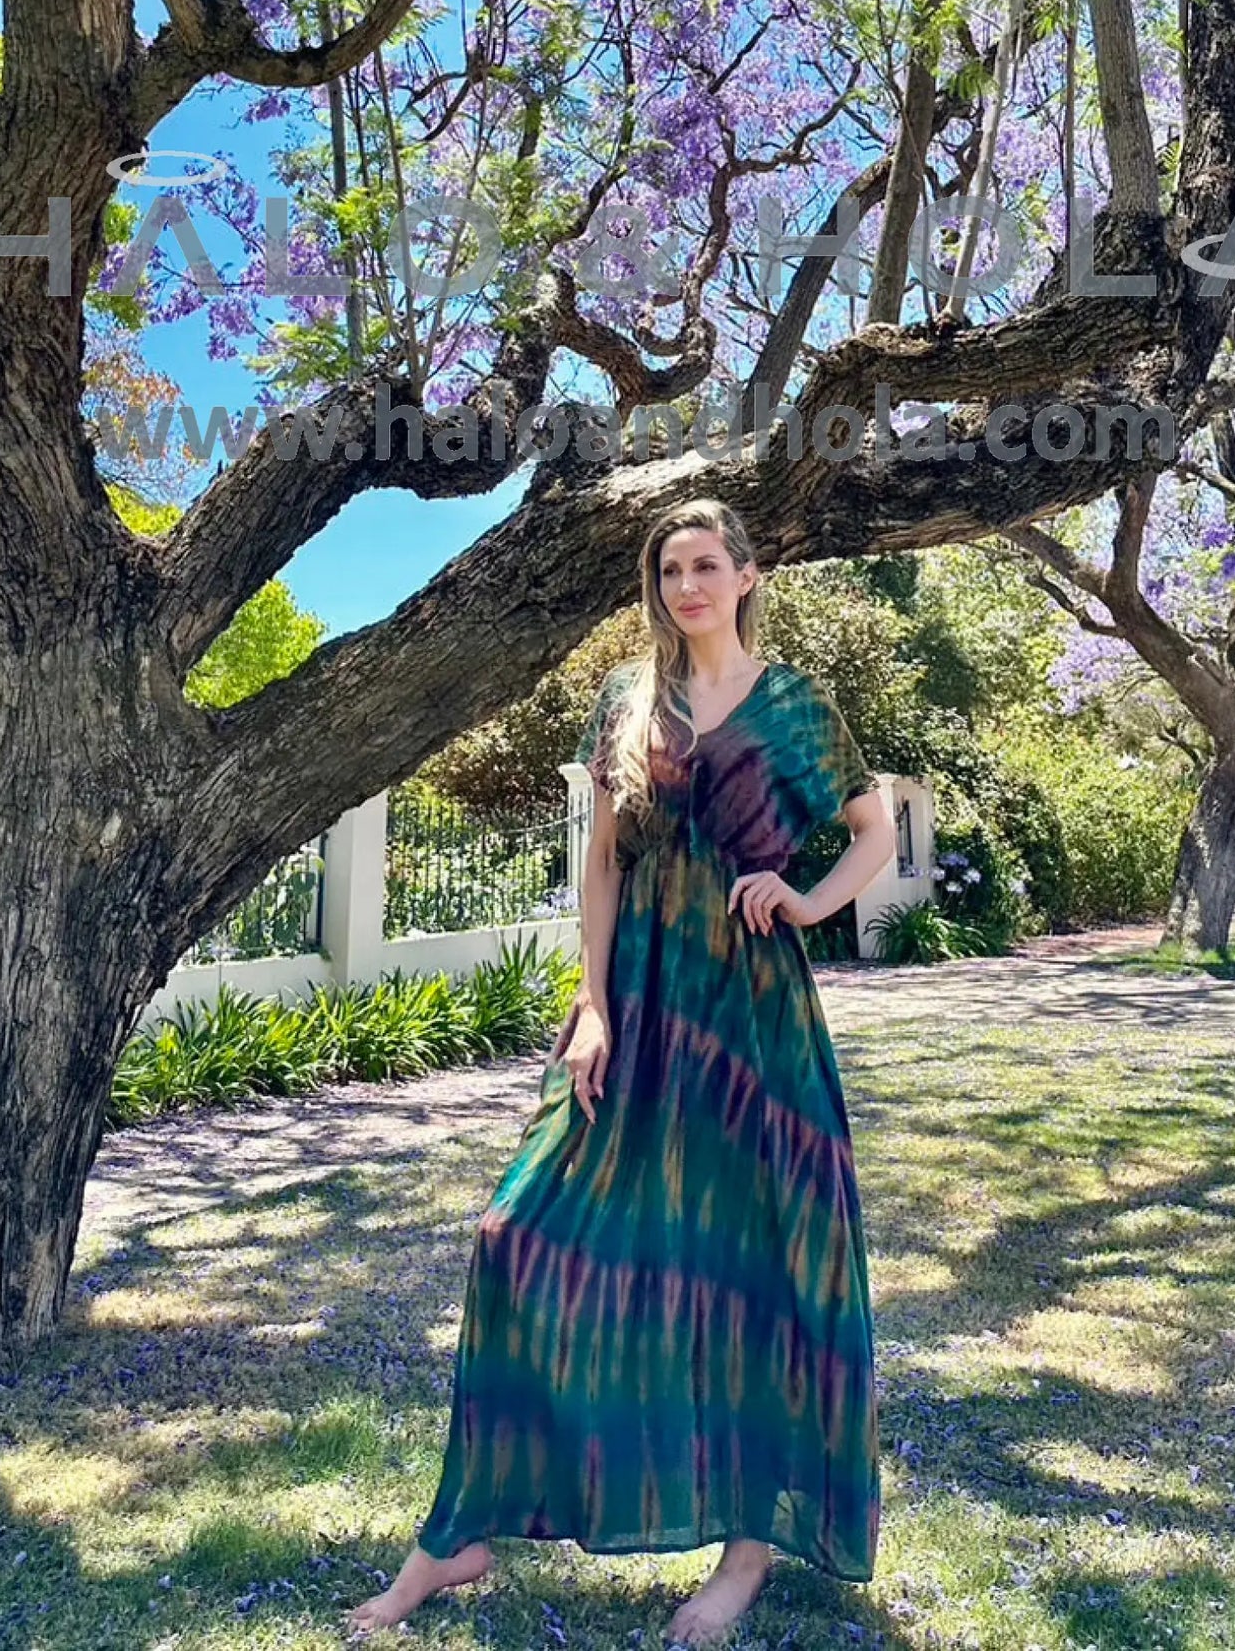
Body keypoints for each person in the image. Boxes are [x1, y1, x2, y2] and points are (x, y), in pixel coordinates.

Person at [345, 496, 893, 1645]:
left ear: (745, 576)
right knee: (515, 1231)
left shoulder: (799, 706)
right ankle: (462, 1534)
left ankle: (746, 1551)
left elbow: (872, 828)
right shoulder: (627, 699)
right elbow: (599, 865)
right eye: (667, 570)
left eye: (704, 565)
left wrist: (807, 898)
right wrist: (590, 1002)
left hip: (752, 1022)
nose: (684, 585)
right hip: (638, 1003)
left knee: (759, 1267)